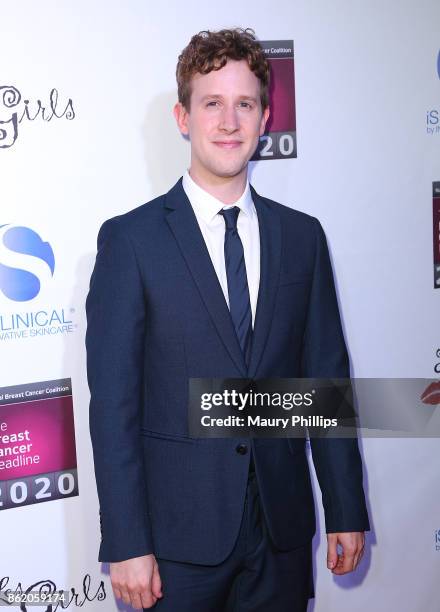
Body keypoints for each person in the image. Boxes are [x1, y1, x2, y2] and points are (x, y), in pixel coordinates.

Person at [86, 27, 370, 612]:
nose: (229, 121)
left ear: (266, 117)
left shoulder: (302, 237)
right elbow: (113, 408)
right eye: (211, 103)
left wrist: (344, 506)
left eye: (245, 104)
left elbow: (323, 385)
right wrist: (127, 541)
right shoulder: (131, 241)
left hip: (282, 535)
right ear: (183, 117)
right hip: (173, 549)